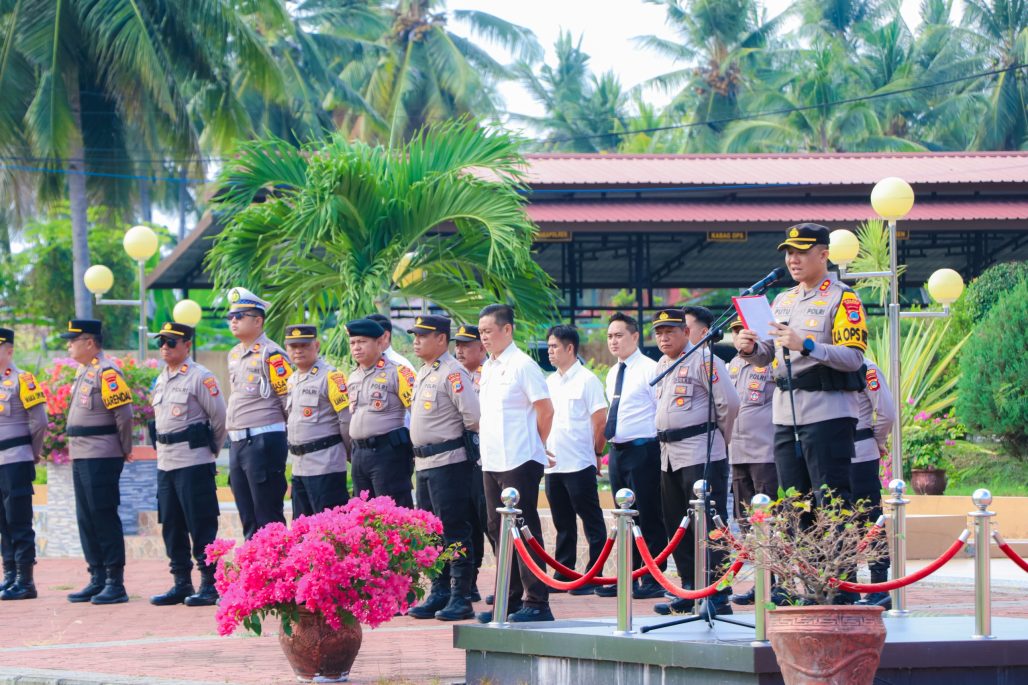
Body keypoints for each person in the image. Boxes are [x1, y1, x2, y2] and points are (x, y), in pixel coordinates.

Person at [733, 224, 868, 506]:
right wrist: (750, 349)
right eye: (789, 253)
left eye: (801, 252)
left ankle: (833, 539)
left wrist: (807, 345)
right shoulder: (783, 300)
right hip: (785, 415)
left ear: (823, 255)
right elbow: (766, 356)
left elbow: (853, 357)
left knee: (832, 503)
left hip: (827, 413)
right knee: (793, 504)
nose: (793, 260)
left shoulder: (843, 298)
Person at [651, 309, 739, 616]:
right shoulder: (663, 364)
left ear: (686, 333)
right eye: (659, 333)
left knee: (711, 524)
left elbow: (729, 403)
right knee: (678, 523)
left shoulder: (705, 360)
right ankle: (689, 589)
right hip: (669, 455)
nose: (664, 338)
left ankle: (718, 592)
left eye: (670, 332)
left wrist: (718, 439)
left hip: (700, 451)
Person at [475, 304, 555, 623]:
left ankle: (537, 602)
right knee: (497, 529)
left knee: (523, 527)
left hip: (520, 459)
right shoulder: (488, 366)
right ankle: (508, 601)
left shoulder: (523, 365)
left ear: (507, 330)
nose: (483, 337)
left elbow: (545, 410)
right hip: (492, 459)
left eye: (488, 331)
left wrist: (536, 443)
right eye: (481, 332)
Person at [406, 315, 481, 621]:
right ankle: (439, 591)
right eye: (414, 335)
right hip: (424, 464)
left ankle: (460, 594)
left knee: (454, 531)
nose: (416, 341)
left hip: (448, 463)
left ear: (441, 339)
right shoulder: (425, 371)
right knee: (432, 533)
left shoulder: (453, 372)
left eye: (422, 336)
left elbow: (473, 417)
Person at [148, 322, 227, 607]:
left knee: (201, 523)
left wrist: (210, 450)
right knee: (171, 525)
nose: (164, 347)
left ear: (187, 345)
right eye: (161, 342)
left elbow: (220, 419)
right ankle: (181, 582)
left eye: (171, 342)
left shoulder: (200, 377)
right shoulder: (161, 379)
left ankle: (210, 583)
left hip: (193, 462)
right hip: (166, 463)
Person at [60, 319, 134, 604]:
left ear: (89, 342)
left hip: (101, 454)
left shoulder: (107, 372)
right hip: (81, 454)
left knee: (102, 515)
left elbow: (124, 415)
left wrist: (124, 448)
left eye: (73, 340)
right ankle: (97, 577)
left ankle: (115, 582)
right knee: (86, 518)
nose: (69, 346)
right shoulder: (84, 372)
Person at [597, 312, 667, 600]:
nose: (613, 341)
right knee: (624, 518)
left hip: (643, 450)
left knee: (648, 515)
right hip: (618, 451)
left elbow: (659, 411)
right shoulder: (614, 372)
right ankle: (628, 575)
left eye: (619, 335)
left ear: (635, 337)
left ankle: (652, 577)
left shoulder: (650, 369)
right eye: (610, 336)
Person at [543, 325, 608, 597]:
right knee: (563, 522)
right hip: (553, 464)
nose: (550, 351)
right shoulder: (549, 382)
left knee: (591, 521)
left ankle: (595, 574)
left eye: (554, 347)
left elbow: (600, 421)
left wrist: (596, 452)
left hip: (580, 462)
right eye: (548, 346)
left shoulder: (587, 380)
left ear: (570, 348)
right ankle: (565, 572)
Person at [224, 287, 292, 540]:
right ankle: (253, 563)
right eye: (231, 317)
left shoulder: (272, 354)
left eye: (240, 316)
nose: (233, 321)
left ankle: (275, 563)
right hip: (239, 440)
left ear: (258, 321)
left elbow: (288, 399)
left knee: (267, 513)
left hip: (264, 440)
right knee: (247, 513)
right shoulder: (234, 354)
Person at [725, 318, 779, 607]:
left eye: (743, 330)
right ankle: (762, 581)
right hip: (738, 453)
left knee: (772, 521)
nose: (739, 335)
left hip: (766, 453)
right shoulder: (732, 365)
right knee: (745, 521)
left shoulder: (770, 361)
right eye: (735, 331)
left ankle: (781, 583)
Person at [346, 318, 416, 508]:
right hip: (359, 454)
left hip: (388, 452)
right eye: (353, 343)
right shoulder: (354, 375)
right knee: (363, 513)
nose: (356, 347)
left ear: (379, 342)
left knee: (393, 512)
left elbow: (417, 414)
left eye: (362, 342)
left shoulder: (398, 372)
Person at [284, 325, 351, 518]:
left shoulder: (332, 377)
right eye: (293, 346)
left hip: (325, 465)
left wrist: (348, 453)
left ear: (317, 345)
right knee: (302, 527)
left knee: (329, 527)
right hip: (299, 466)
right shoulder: (293, 379)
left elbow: (346, 420)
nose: (298, 351)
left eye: (304, 345)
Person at [0, 327, 47, 601]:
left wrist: (33, 452)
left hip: (15, 459)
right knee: (3, 522)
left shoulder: (23, 380)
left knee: (18, 520)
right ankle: (9, 575)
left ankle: (25, 580)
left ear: (9, 350)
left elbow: (40, 421)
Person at [853, 357, 896, 609]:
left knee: (870, 519)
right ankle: (844, 586)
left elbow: (886, 413)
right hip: (831, 455)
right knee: (837, 520)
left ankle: (879, 585)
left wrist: (876, 440)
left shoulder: (866, 368)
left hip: (860, 452)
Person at [454, 323, 488, 600]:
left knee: (488, 521)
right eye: (457, 345)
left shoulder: (489, 375)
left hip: (484, 459)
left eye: (466, 345)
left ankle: (509, 584)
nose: (460, 350)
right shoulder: (454, 375)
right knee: (465, 521)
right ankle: (470, 581)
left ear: (482, 347)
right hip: (460, 460)